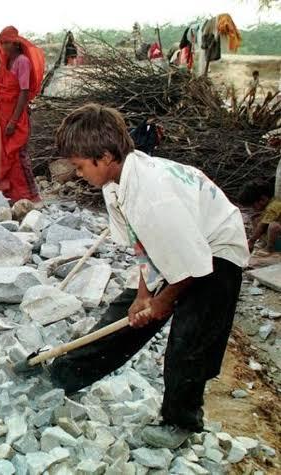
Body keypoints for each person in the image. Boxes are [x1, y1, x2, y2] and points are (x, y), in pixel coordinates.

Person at [49, 104, 249, 449]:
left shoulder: (153, 196)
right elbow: (144, 245)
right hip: (182, 243)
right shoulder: (116, 185)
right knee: (126, 314)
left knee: (190, 337)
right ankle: (63, 376)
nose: (77, 172)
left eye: (80, 165)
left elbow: (195, 264)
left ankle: (180, 422)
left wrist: (162, 302)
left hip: (217, 250)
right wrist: (143, 295)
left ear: (106, 156)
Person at [0, 26, 45, 204]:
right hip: (2, 114)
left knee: (17, 153)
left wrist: (14, 120)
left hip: (14, 116)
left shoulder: (22, 62)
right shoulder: (7, 62)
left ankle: (30, 195)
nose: (4, 47)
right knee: (3, 153)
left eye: (7, 43)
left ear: (16, 43)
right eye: (2, 43)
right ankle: (9, 193)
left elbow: (24, 93)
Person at [239, 180, 281, 254]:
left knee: (273, 226)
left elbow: (262, 226)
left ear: (263, 199)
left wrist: (251, 241)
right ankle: (264, 243)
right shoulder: (270, 204)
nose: (253, 209)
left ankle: (269, 248)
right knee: (256, 219)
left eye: (253, 206)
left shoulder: (273, 206)